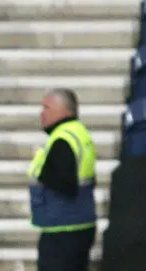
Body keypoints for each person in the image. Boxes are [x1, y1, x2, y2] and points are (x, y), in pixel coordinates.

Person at [29, 88, 97, 271]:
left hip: (62, 230)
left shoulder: (63, 139)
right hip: (80, 225)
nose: (42, 113)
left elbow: (65, 183)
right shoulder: (80, 134)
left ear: (65, 111)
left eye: (46, 107)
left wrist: (43, 174)